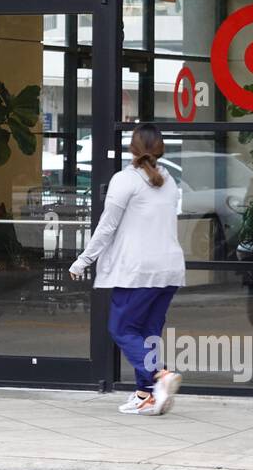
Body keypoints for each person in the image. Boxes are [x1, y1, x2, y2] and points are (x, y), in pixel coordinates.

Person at [69, 124, 186, 416]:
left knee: (121, 329)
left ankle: (160, 374)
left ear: (132, 148)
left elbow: (106, 226)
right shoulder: (169, 180)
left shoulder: (125, 180)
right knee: (148, 333)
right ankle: (146, 395)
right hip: (169, 269)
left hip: (139, 270)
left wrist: (83, 261)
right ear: (161, 149)